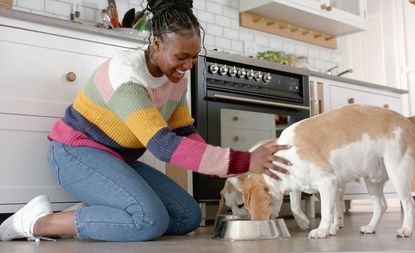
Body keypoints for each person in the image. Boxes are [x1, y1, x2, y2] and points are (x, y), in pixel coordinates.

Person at [0, 0, 291, 242]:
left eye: (194, 56)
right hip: (75, 152)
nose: (188, 65)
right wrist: (243, 160)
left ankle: (104, 209)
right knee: (147, 221)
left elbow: (183, 131)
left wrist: (226, 169)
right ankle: (37, 222)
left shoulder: (176, 78)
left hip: (118, 159)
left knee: (187, 215)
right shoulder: (126, 75)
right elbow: (164, 146)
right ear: (156, 43)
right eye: (181, 56)